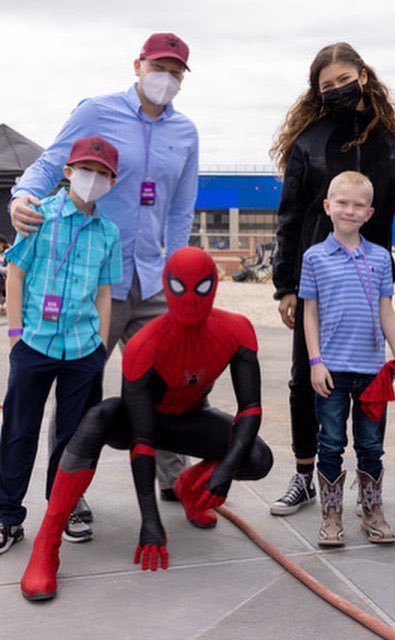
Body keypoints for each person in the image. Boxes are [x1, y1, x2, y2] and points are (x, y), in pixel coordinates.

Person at [9, 32, 199, 518]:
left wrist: (179, 276)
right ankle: (69, 493)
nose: (167, 79)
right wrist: (20, 198)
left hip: (153, 279)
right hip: (94, 283)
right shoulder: (97, 111)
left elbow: (180, 211)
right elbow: (52, 160)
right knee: (79, 391)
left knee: (167, 380)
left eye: (176, 72)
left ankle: (172, 473)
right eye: (159, 67)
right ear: (137, 65)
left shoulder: (186, 134)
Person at [20, 247, 273, 601]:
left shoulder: (236, 330)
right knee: (96, 418)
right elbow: (142, 441)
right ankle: (47, 542)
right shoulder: (144, 344)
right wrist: (149, 520)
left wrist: (226, 468)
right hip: (141, 422)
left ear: (214, 286)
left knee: (258, 458)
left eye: (200, 288)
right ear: (166, 289)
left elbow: (251, 409)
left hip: (190, 419)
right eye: (180, 288)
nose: (190, 300)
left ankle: (188, 486)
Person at [270, 42, 395, 516]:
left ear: (363, 76)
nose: (335, 90)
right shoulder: (308, 141)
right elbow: (289, 216)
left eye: (342, 80)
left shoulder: (394, 145)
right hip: (317, 274)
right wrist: (286, 284)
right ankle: (304, 474)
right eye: (325, 85)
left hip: (371, 276)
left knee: (372, 382)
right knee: (306, 378)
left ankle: (368, 484)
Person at [0, 136, 122, 555]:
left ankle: (64, 508)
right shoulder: (40, 217)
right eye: (86, 170)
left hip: (82, 350)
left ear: (112, 182)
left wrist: (100, 349)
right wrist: (15, 337)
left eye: (103, 174)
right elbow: (14, 274)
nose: (94, 179)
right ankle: (8, 515)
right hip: (34, 344)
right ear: (68, 173)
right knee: (19, 432)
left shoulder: (108, 233)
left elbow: (105, 292)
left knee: (73, 438)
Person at [299, 171, 395, 546]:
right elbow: (309, 314)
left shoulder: (380, 259)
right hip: (330, 371)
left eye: (358, 205)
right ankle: (331, 514)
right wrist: (315, 362)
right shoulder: (314, 257)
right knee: (330, 442)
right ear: (328, 207)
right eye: (342, 203)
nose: (350, 210)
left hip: (372, 373)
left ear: (370, 213)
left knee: (371, 444)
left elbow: (387, 311)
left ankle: (372, 509)